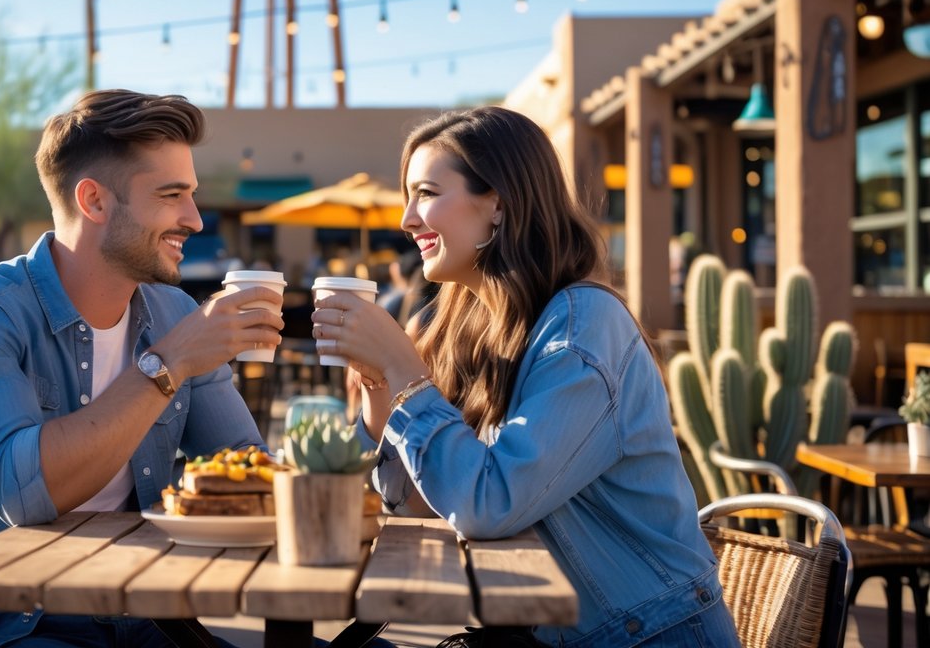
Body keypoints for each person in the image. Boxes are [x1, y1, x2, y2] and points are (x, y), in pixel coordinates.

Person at [312, 107, 739, 648]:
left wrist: (405, 373)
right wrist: (381, 387)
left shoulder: (583, 328)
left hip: (647, 637)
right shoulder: (469, 324)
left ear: (497, 203)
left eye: (425, 193)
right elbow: (420, 504)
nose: (407, 220)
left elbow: (486, 505)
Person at [0, 90, 285, 648]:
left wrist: (370, 409)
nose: (194, 219)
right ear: (94, 201)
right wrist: (167, 365)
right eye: (172, 195)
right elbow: (22, 494)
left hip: (139, 617)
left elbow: (250, 471)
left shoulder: (174, 313)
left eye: (191, 196)